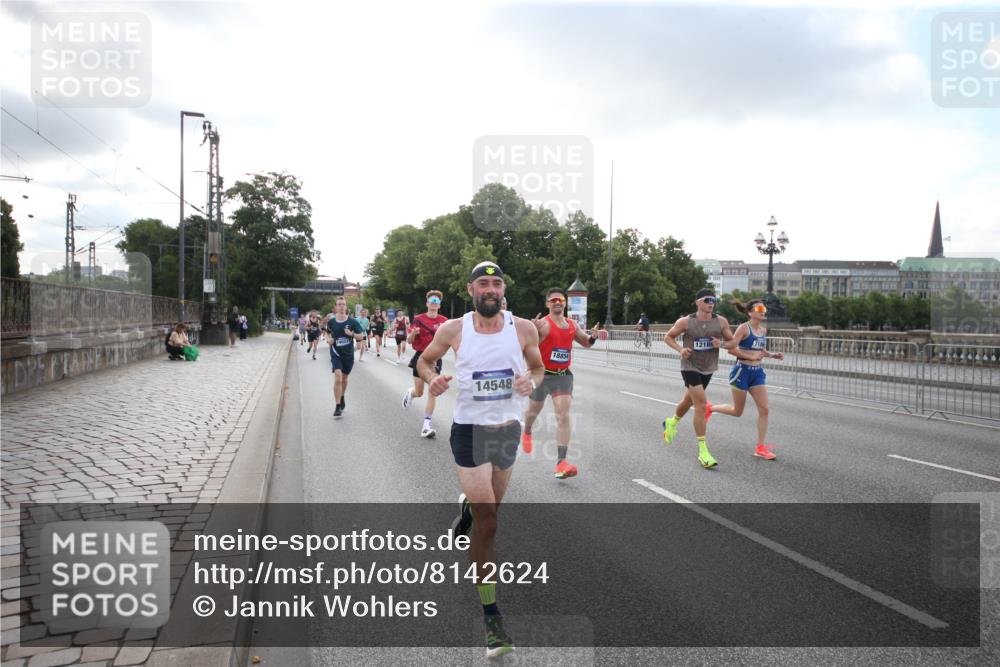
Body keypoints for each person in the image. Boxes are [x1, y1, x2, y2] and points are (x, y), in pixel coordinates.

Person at [417, 261, 544, 659]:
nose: (490, 289)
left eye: (497, 283)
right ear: (471, 288)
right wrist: (431, 377)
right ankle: (492, 618)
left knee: (487, 512)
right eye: (483, 283)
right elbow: (423, 360)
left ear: (503, 288)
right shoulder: (452, 329)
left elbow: (540, 368)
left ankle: (467, 510)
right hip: (469, 431)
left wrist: (531, 381)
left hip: (506, 429)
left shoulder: (523, 327)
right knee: (489, 522)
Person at [523, 288, 601, 479]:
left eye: (561, 300)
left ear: (565, 303)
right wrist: (535, 331)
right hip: (542, 374)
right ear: (548, 304)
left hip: (563, 376)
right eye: (553, 300)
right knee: (534, 410)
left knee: (563, 415)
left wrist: (593, 336)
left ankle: (561, 462)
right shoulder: (545, 325)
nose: (557, 302)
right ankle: (527, 430)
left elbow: (586, 342)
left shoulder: (572, 325)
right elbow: (531, 345)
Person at [660, 288, 739, 469]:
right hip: (689, 366)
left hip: (708, 367)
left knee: (689, 400)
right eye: (706, 300)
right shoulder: (686, 322)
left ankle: (671, 422)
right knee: (701, 406)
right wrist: (681, 350)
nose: (710, 303)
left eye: (713, 300)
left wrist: (723, 344)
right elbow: (668, 337)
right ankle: (703, 451)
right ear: (697, 302)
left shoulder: (721, 321)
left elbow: (733, 341)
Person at [707, 299, 785, 460]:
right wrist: (720, 344)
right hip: (741, 371)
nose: (763, 310)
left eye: (764, 308)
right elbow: (732, 346)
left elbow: (759, 348)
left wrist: (772, 355)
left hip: (757, 373)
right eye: (759, 308)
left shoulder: (763, 330)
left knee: (764, 409)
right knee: (737, 411)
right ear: (750, 312)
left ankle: (760, 447)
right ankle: (711, 409)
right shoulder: (744, 328)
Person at [402, 290, 449, 438]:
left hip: (435, 359)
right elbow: (409, 341)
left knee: (433, 392)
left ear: (439, 305)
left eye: (437, 301)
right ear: (427, 303)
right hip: (420, 357)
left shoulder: (444, 321)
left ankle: (426, 426)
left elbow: (449, 340)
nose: (434, 303)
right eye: (432, 301)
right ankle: (411, 393)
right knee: (420, 392)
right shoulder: (418, 319)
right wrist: (414, 333)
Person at [323, 297, 366, 418]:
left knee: (344, 379)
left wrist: (351, 334)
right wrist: (328, 340)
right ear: (336, 307)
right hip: (336, 353)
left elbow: (361, 336)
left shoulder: (352, 322)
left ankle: (342, 396)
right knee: (338, 377)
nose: (341, 307)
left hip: (348, 355)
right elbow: (327, 332)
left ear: (346, 307)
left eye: (343, 304)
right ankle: (337, 406)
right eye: (339, 304)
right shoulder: (331, 322)